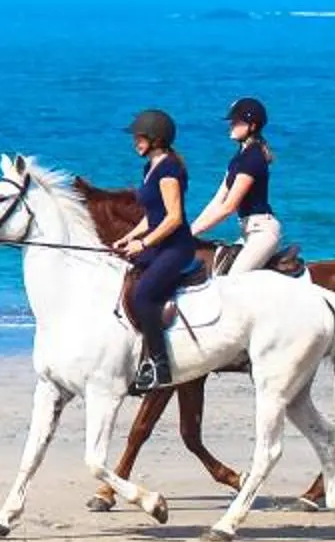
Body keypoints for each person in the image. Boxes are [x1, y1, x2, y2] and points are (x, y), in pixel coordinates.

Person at [110, 107, 195, 396]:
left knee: (143, 294)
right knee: (125, 274)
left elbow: (173, 218)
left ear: (157, 138)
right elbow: (152, 214)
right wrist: (128, 238)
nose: (135, 141)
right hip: (158, 243)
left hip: (176, 247)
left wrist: (144, 244)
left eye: (140, 137)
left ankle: (161, 366)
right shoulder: (150, 168)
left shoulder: (170, 169)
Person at [188, 97, 283, 274]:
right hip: (248, 232)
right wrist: (190, 229)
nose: (231, 125)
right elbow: (217, 202)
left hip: (262, 232)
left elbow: (228, 207)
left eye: (237, 122)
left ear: (252, 126)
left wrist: (194, 231)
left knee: (232, 281)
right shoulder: (238, 159)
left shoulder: (253, 158)